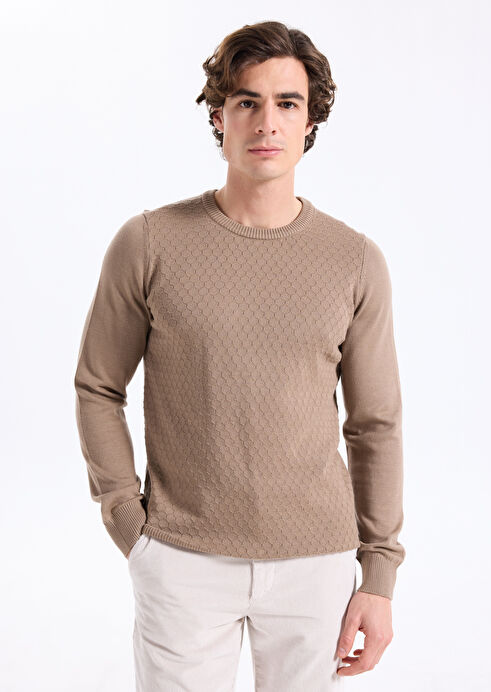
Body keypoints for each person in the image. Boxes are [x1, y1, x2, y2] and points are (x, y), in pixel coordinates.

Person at [74, 20, 406, 691]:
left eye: (287, 103)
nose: (266, 122)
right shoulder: (149, 243)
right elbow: (98, 387)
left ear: (310, 121)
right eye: (247, 101)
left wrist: (378, 575)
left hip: (316, 562)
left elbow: (374, 425)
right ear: (218, 116)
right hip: (181, 556)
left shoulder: (353, 261)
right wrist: (127, 521)